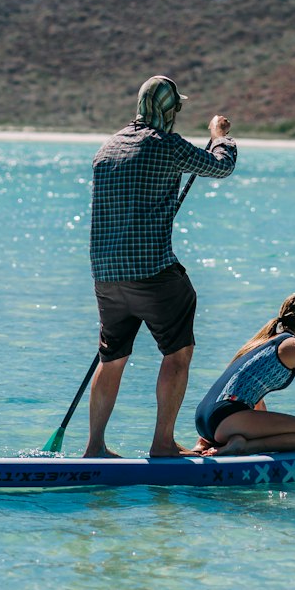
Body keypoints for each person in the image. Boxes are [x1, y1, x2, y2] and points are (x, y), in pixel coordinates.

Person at [85, 74, 237, 458]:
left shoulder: (107, 148)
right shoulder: (168, 146)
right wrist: (220, 135)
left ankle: (95, 447)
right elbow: (220, 167)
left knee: (112, 358)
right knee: (177, 353)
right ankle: (162, 443)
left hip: (106, 276)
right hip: (153, 273)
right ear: (171, 111)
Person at [192, 290, 295, 454]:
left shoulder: (263, 342)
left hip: (205, 420)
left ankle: (212, 442)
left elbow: (256, 399)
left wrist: (267, 435)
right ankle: (242, 446)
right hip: (226, 418)